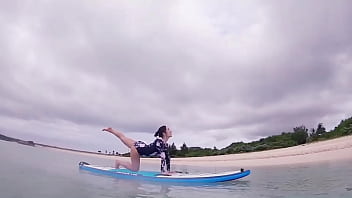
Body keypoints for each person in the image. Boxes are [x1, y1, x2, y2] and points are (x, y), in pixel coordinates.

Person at [102, 125, 172, 174]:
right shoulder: (160, 142)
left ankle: (111, 130)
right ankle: (119, 162)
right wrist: (163, 172)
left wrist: (168, 171)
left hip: (141, 145)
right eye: (168, 129)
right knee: (135, 169)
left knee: (123, 137)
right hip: (137, 149)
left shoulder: (164, 144)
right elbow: (163, 157)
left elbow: (167, 158)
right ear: (164, 133)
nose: (170, 131)